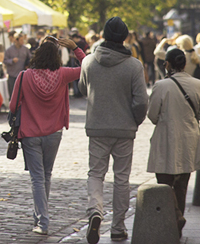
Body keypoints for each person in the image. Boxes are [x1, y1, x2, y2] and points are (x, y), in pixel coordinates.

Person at [78, 16, 148, 243]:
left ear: (104, 36)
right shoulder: (134, 65)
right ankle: (118, 227)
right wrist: (134, 121)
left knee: (95, 173)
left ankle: (95, 211)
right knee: (121, 178)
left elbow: (82, 89)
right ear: (125, 37)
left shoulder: (88, 61)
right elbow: (141, 101)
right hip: (124, 129)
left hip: (97, 127)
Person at [9, 37, 84, 235]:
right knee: (46, 175)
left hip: (30, 134)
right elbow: (88, 67)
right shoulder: (63, 74)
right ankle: (40, 218)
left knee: (37, 178)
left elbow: (11, 106)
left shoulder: (25, 76)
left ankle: (42, 222)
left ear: (37, 54)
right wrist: (76, 48)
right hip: (54, 133)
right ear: (57, 56)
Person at [146, 48, 200, 238]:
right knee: (182, 186)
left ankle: (174, 218)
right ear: (184, 64)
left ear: (167, 64)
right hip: (189, 139)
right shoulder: (197, 84)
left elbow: (152, 115)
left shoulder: (161, 86)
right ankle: (177, 225)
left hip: (166, 139)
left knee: (164, 184)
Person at [3, 32, 30, 102]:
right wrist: (12, 60)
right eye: (21, 40)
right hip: (12, 75)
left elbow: (29, 59)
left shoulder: (25, 49)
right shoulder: (9, 50)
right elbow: (4, 61)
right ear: (16, 40)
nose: (22, 42)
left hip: (22, 75)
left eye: (23, 40)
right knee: (12, 94)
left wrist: (27, 65)